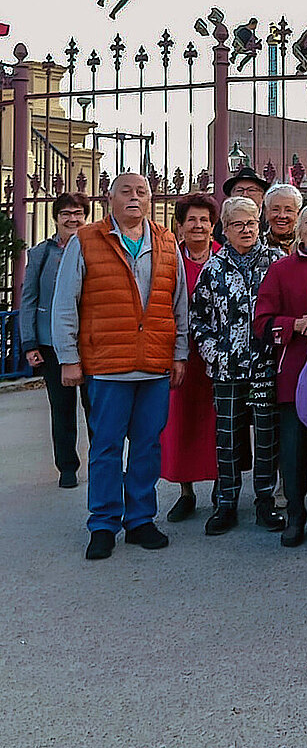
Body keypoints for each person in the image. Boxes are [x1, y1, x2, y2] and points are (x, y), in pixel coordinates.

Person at [52, 172, 188, 560]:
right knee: (106, 446)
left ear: (150, 199)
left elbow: (179, 304)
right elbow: (66, 303)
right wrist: (69, 359)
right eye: (125, 192)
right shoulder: (86, 241)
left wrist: (180, 354)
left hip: (155, 364)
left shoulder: (165, 242)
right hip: (108, 366)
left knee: (147, 446)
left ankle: (141, 519)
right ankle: (103, 523)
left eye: (141, 192)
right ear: (109, 200)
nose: (134, 198)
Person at [190, 197, 286, 536]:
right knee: (227, 437)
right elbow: (198, 318)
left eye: (250, 223)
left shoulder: (276, 261)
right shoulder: (213, 269)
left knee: (266, 436)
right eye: (237, 225)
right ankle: (226, 502)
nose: (245, 230)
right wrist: (213, 353)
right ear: (225, 229)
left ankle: (265, 500)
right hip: (227, 368)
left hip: (266, 367)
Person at [254, 204, 307, 547]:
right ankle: (295, 515)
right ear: (298, 230)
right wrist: (294, 325)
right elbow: (261, 322)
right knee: (292, 451)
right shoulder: (280, 269)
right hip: (294, 373)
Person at [21, 192, 92, 489]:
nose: (72, 219)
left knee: (96, 407)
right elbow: (28, 299)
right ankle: (66, 467)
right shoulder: (41, 254)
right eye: (66, 213)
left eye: (78, 213)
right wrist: (30, 344)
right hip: (51, 343)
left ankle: (103, 462)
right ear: (56, 217)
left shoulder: (93, 249)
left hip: (89, 341)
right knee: (61, 408)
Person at [160, 194, 220, 521]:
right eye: (191, 220)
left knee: (218, 423)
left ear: (213, 226)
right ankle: (185, 492)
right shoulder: (168, 260)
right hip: (180, 354)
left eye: (204, 220)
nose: (198, 226)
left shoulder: (224, 258)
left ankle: (221, 488)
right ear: (179, 226)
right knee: (179, 423)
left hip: (219, 357)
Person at [215, 166, 270, 243]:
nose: (245, 194)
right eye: (239, 190)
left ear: (263, 196)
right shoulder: (219, 223)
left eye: (251, 190)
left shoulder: (270, 220)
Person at [263, 183, 302, 253]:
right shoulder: (257, 245)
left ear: (298, 214)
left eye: (288, 210)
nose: (282, 216)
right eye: (275, 210)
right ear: (267, 212)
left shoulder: (306, 244)